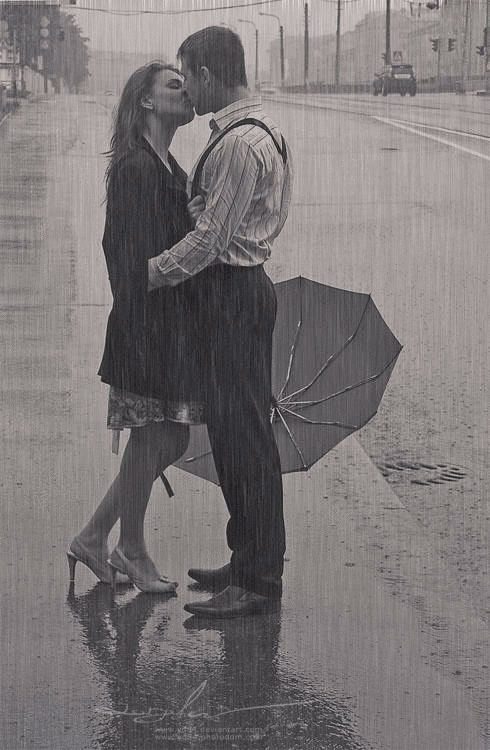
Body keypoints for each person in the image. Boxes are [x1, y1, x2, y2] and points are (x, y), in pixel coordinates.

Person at [148, 27, 293, 617]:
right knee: (236, 436)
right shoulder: (257, 130)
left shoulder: (238, 143)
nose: (187, 89)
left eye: (188, 76)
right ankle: (248, 557)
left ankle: (258, 580)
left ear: (208, 74)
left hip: (231, 294)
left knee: (245, 438)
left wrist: (154, 272)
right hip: (238, 292)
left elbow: (212, 240)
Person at [68, 62, 204, 594]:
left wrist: (191, 215)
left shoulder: (167, 166)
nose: (186, 90)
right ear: (145, 101)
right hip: (146, 326)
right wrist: (193, 235)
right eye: (173, 84)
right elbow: (130, 260)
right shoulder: (136, 168)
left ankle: (95, 537)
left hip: (166, 325)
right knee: (160, 435)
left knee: (168, 436)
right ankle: (130, 546)